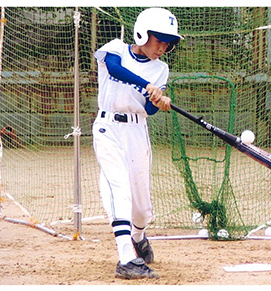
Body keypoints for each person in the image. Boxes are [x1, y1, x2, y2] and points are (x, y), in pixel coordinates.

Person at [92, 7, 183, 279]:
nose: (163, 48)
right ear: (143, 33)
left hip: (136, 132)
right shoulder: (115, 48)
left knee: (141, 208)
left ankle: (139, 236)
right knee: (119, 190)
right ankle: (126, 258)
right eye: (159, 40)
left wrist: (157, 101)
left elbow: (150, 110)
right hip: (108, 128)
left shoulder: (161, 69)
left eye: (168, 43)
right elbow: (114, 69)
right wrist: (146, 85)